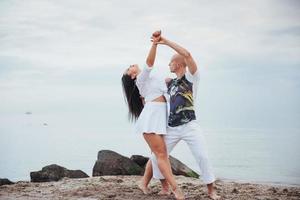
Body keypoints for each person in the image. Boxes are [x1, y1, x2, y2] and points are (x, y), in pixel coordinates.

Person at [140, 32, 221, 200]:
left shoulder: (192, 78)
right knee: (156, 157)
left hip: (190, 126)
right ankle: (165, 187)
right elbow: (153, 92)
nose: (168, 65)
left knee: (202, 156)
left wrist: (165, 42)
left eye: (170, 62)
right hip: (172, 127)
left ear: (177, 64)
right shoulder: (169, 83)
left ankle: (211, 190)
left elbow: (187, 55)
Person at [121, 30, 185, 200]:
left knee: (159, 155)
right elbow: (149, 63)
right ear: (133, 76)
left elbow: (166, 87)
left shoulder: (151, 78)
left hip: (160, 117)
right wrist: (155, 43)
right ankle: (176, 189)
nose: (131, 65)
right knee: (162, 155)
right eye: (129, 68)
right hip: (151, 119)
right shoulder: (141, 80)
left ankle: (152, 184)